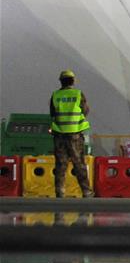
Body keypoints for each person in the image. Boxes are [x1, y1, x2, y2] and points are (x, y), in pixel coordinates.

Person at [49, 70, 93, 198]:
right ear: (73, 81)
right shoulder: (78, 94)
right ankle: (86, 192)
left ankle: (60, 192)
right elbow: (85, 111)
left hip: (59, 135)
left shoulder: (55, 95)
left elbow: (52, 113)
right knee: (79, 164)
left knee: (60, 165)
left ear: (61, 81)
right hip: (75, 135)